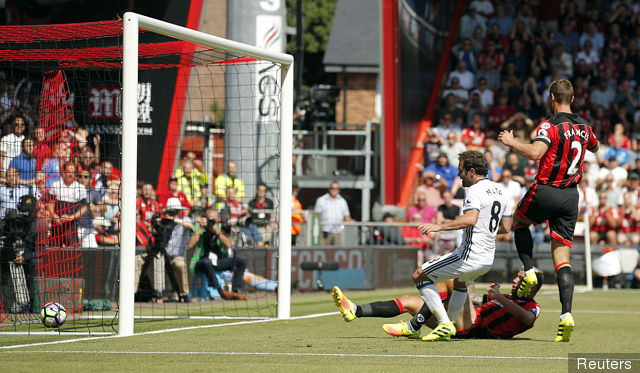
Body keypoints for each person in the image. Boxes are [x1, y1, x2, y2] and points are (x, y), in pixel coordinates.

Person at [341, 151, 513, 342]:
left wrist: (439, 226)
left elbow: (471, 219)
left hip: (470, 255)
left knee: (419, 275)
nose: (458, 175)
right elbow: (506, 227)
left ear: (472, 171)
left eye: (461, 170)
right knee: (460, 283)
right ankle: (446, 325)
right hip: (487, 258)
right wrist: (484, 230)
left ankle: (444, 323)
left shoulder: (473, 190)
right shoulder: (502, 191)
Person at [498, 79, 599, 342]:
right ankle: (566, 315)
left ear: (552, 97)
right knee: (562, 259)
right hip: (570, 197)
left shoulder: (549, 124)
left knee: (519, 223)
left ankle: (529, 270)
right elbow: (595, 147)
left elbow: (534, 152)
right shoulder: (585, 126)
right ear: (573, 98)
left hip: (546, 189)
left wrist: (512, 142)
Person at [331, 268, 542, 340]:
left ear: (531, 286)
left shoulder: (532, 306)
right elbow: (475, 300)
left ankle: (414, 326)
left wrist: (499, 297)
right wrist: (476, 293)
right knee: (409, 301)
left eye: (520, 278)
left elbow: (526, 319)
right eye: (517, 276)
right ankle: (355, 311)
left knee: (453, 279)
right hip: (467, 317)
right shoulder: (507, 297)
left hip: (475, 326)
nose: (515, 280)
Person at [188, 207, 247, 300]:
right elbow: (190, 245)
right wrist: (200, 228)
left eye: (213, 220)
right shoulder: (199, 227)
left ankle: (236, 291)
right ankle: (220, 290)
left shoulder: (222, 228)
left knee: (241, 260)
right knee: (206, 262)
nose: (211, 222)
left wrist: (217, 232)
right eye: (209, 219)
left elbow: (229, 244)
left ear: (218, 219)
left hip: (218, 261)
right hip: (201, 261)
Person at [314, 181, 352, 246]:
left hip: (337, 232)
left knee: (337, 253)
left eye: (336, 188)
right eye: (332, 188)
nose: (334, 190)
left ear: (339, 190)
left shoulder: (342, 201)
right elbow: (316, 215)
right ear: (329, 189)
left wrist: (355, 222)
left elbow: (347, 217)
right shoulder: (321, 200)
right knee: (323, 252)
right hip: (325, 232)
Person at [0, 114, 26, 179]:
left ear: (24, 127)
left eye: (22, 124)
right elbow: (1, 156)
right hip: (7, 173)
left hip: (21, 173)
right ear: (13, 126)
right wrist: (1, 171)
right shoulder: (6, 138)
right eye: (17, 124)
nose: (19, 126)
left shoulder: (25, 139)